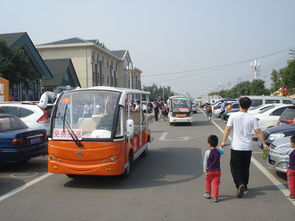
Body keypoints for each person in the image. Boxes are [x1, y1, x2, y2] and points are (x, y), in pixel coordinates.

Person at [220, 97, 268, 198]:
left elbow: (228, 128)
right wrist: (264, 143)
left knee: (234, 167)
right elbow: (258, 131)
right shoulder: (252, 117)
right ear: (249, 106)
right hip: (248, 147)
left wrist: (223, 141)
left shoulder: (233, 116)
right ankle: (245, 185)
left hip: (237, 147)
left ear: (239, 105)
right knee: (245, 167)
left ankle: (240, 183)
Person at [268, 135, 295, 200]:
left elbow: (280, 152)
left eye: (291, 142)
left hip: (291, 170)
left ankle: (293, 195)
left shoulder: (291, 150)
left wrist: (270, 149)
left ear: (293, 144)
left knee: (291, 183)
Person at [203, 135, 224, 202]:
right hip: (217, 171)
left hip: (210, 171)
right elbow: (222, 151)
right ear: (216, 143)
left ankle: (208, 193)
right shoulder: (219, 151)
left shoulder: (207, 152)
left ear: (209, 144)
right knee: (216, 184)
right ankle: (215, 197)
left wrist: (205, 170)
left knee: (208, 181)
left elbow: (205, 162)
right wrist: (221, 147)